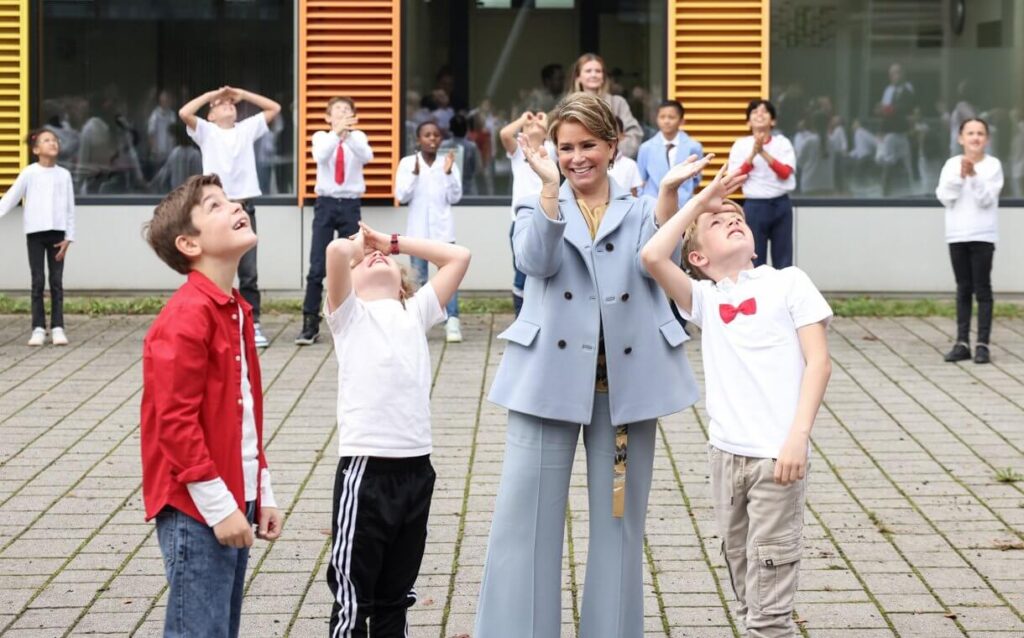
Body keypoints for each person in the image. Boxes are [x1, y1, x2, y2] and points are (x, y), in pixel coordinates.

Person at [475, 92, 702, 638]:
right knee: (523, 524)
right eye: (565, 147)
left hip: (623, 398)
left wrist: (669, 196)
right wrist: (549, 190)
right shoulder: (537, 204)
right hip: (544, 390)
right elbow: (535, 262)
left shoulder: (644, 209)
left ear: (613, 145)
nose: (577, 157)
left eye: (588, 146)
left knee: (619, 525)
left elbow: (659, 261)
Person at [642, 163, 832, 638]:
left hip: (776, 456)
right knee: (743, 573)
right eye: (715, 220)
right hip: (725, 456)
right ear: (699, 259)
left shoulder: (789, 282)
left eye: (734, 213)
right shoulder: (703, 299)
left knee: (769, 593)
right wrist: (694, 199)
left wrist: (797, 439)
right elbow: (652, 255)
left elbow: (819, 363)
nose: (730, 216)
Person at [140, 174, 284, 638]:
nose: (236, 205)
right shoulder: (187, 315)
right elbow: (175, 425)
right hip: (196, 505)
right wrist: (221, 507)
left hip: (230, 496)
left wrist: (262, 491)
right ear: (189, 243)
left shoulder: (233, 307)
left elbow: (243, 414)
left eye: (231, 199)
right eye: (216, 205)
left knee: (220, 629)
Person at [322, 221, 470, 638]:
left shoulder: (415, 310)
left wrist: (394, 242)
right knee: (354, 596)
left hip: (416, 469)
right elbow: (335, 254)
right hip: (366, 471)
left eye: (386, 258)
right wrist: (359, 245)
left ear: (404, 285)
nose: (377, 256)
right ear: (348, 284)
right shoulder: (349, 315)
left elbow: (459, 257)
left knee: (396, 594)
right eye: (367, 260)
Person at [179, 85, 281, 347]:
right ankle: (214, 323)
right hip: (215, 209)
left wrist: (243, 95)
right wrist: (210, 96)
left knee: (249, 271)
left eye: (231, 103)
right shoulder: (207, 131)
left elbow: (274, 108)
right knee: (214, 268)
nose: (227, 105)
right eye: (219, 105)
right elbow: (184, 112)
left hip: (244, 207)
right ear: (210, 115)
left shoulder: (246, 129)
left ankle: (252, 323)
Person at [295, 96, 373, 345]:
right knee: (317, 265)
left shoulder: (358, 138)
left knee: (356, 262)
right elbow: (321, 155)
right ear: (328, 117)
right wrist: (336, 133)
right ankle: (310, 322)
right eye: (337, 110)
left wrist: (347, 135)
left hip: (350, 205)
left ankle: (356, 319)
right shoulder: (321, 137)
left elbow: (366, 156)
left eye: (347, 110)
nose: (343, 113)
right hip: (326, 204)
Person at [935, 118, 1003, 365]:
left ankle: (982, 344)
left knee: (982, 289)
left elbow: (986, 199)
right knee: (963, 288)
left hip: (983, 236)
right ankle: (962, 342)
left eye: (980, 133)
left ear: (986, 138)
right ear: (960, 138)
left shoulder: (993, 166)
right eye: (970, 133)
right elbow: (945, 196)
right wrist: (960, 176)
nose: (975, 138)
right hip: (957, 235)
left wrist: (973, 176)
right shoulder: (951, 164)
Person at [0, 130, 76, 346]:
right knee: (38, 281)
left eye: (54, 140)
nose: (52, 143)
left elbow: (70, 208)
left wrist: (69, 237)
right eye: (46, 140)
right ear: (36, 150)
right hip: (35, 234)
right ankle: (38, 328)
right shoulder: (29, 173)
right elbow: (10, 198)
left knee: (56, 281)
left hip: (57, 235)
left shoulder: (64, 175)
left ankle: (58, 326)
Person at [394, 121, 464, 342]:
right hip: (417, 234)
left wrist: (449, 173)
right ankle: (418, 322)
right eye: (427, 135)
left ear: (441, 139)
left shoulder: (448, 163)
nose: (432, 139)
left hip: (443, 232)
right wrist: (414, 175)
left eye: (436, 135)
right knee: (418, 278)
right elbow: (402, 196)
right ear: (418, 139)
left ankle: (452, 321)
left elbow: (455, 197)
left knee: (449, 277)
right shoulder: (407, 163)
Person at [500, 110, 557, 316]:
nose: (534, 126)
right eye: (528, 127)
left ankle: (541, 313)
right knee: (522, 270)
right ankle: (521, 315)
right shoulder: (519, 151)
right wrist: (523, 120)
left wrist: (546, 123)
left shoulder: (550, 149)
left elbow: (560, 138)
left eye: (539, 127)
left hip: (545, 216)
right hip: (520, 220)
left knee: (543, 269)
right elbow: (505, 134)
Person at [728, 99, 797, 268]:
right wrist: (752, 154)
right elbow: (735, 176)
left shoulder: (782, 143)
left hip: (781, 203)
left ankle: (784, 293)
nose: (759, 114)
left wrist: (763, 153)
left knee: (783, 256)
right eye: (754, 112)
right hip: (755, 205)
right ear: (748, 121)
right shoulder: (741, 145)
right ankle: (758, 294)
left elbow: (785, 172)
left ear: (772, 121)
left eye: (765, 112)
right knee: (754, 255)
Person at [570, 53, 643, 157]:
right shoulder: (568, 105)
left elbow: (635, 135)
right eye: (588, 71)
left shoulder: (618, 103)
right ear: (578, 77)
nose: (593, 74)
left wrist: (612, 155)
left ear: (603, 76)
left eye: (598, 71)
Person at [637, 99, 703, 206]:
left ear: (681, 121)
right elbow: (641, 179)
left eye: (671, 117)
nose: (666, 121)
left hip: (682, 204)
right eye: (662, 117)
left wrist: (685, 193)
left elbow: (696, 178)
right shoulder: (646, 148)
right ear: (657, 119)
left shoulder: (693, 147)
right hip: (653, 204)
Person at [149, 122, 203, 192]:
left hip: (178, 193)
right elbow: (199, 177)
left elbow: (163, 173)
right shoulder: (194, 154)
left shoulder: (175, 153)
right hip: (189, 194)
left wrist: (151, 185)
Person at [441, 114, 482, 195]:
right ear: (466, 129)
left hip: (447, 189)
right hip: (468, 190)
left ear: (450, 129)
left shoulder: (442, 145)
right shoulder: (472, 147)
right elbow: (478, 168)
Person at [608, 116, 643, 197]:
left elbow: (634, 196)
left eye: (614, 131)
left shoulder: (630, 165)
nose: (609, 136)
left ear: (622, 135)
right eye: (605, 132)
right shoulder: (594, 164)